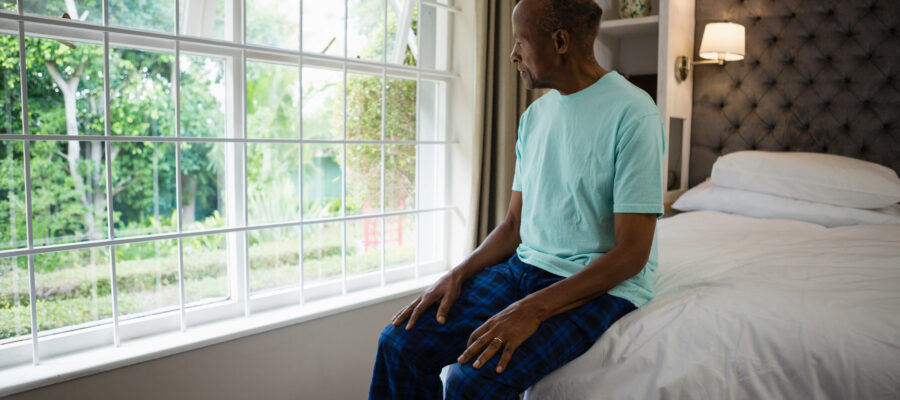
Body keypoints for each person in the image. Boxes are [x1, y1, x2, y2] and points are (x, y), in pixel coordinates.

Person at [369, 0, 665, 398]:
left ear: (560, 41)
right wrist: (457, 274)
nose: (513, 55)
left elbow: (631, 254)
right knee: (398, 344)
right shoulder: (535, 117)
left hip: (597, 285)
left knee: (468, 382)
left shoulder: (634, 113)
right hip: (523, 268)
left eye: (521, 41)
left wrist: (534, 309)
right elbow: (513, 225)